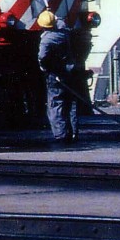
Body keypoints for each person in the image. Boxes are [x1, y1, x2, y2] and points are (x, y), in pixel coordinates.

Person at [37, 10, 79, 143]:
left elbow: (42, 57)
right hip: (70, 71)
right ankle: (73, 132)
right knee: (70, 103)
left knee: (55, 104)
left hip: (56, 74)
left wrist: (44, 67)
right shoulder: (64, 31)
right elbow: (60, 22)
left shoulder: (47, 40)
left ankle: (61, 135)